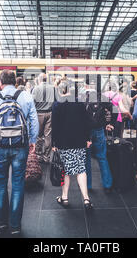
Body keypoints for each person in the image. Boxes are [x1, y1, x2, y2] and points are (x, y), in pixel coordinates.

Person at [0, 70, 39, 237]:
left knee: (0, 183)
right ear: (14, 81)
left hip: (0, 145)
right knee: (18, 183)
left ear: (0, 82)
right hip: (21, 145)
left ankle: (1, 222)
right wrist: (33, 140)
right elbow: (33, 120)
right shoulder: (26, 96)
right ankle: (15, 225)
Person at [52, 81, 93, 210]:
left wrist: (54, 143)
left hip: (64, 143)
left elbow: (55, 126)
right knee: (81, 169)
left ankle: (64, 198)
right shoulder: (80, 104)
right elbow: (87, 123)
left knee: (65, 171)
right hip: (79, 141)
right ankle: (86, 199)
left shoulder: (57, 105)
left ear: (61, 90)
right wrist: (87, 139)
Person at [82, 79, 114, 193]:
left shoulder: (82, 97)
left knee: (86, 159)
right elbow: (111, 109)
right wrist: (108, 123)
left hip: (86, 132)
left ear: (86, 85)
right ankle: (107, 184)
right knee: (102, 157)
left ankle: (88, 186)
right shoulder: (102, 97)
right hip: (99, 130)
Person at [31, 73, 55, 163]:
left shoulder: (36, 88)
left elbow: (32, 102)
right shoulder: (52, 88)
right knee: (48, 136)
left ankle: (38, 155)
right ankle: (46, 156)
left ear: (39, 79)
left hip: (39, 114)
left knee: (38, 136)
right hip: (50, 113)